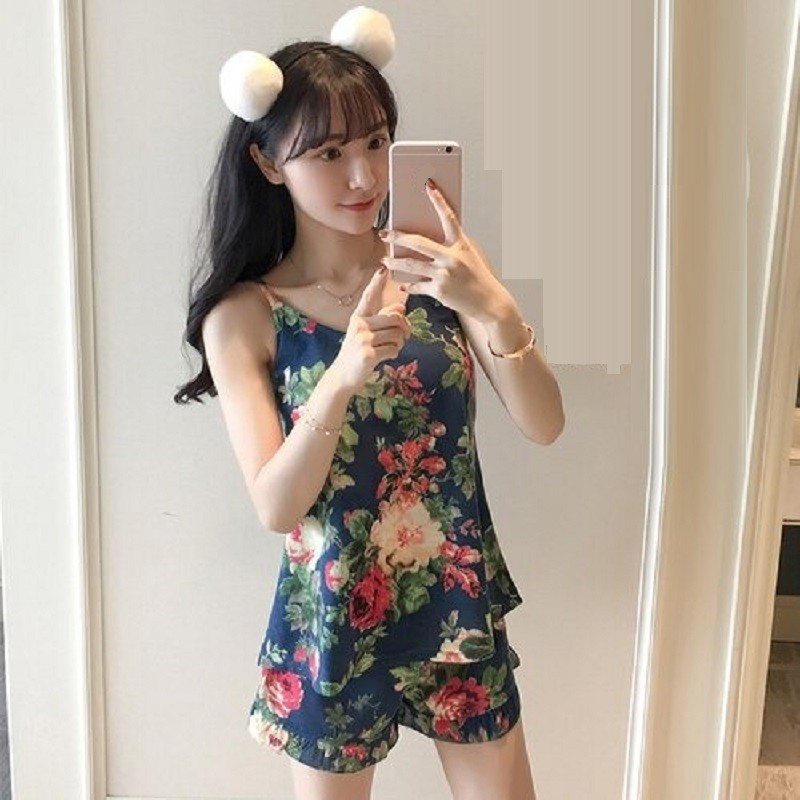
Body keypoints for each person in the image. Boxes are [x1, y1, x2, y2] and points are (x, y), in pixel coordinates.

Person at [174, 7, 563, 799]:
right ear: (269, 162)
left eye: (377, 142)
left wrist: (494, 308)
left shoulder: (440, 273)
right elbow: (277, 506)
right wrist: (343, 373)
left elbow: (545, 424)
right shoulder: (245, 315)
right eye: (328, 153)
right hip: (332, 619)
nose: (364, 177)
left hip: (455, 602)